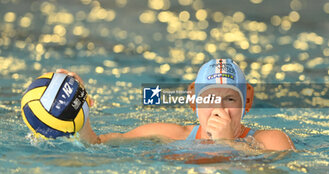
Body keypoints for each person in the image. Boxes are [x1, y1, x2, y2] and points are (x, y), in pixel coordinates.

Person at [57, 59, 295, 151]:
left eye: (230, 99)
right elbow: (97, 144)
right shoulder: (170, 134)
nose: (219, 109)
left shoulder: (272, 141)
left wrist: (227, 145)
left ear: (247, 103)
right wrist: (80, 110)